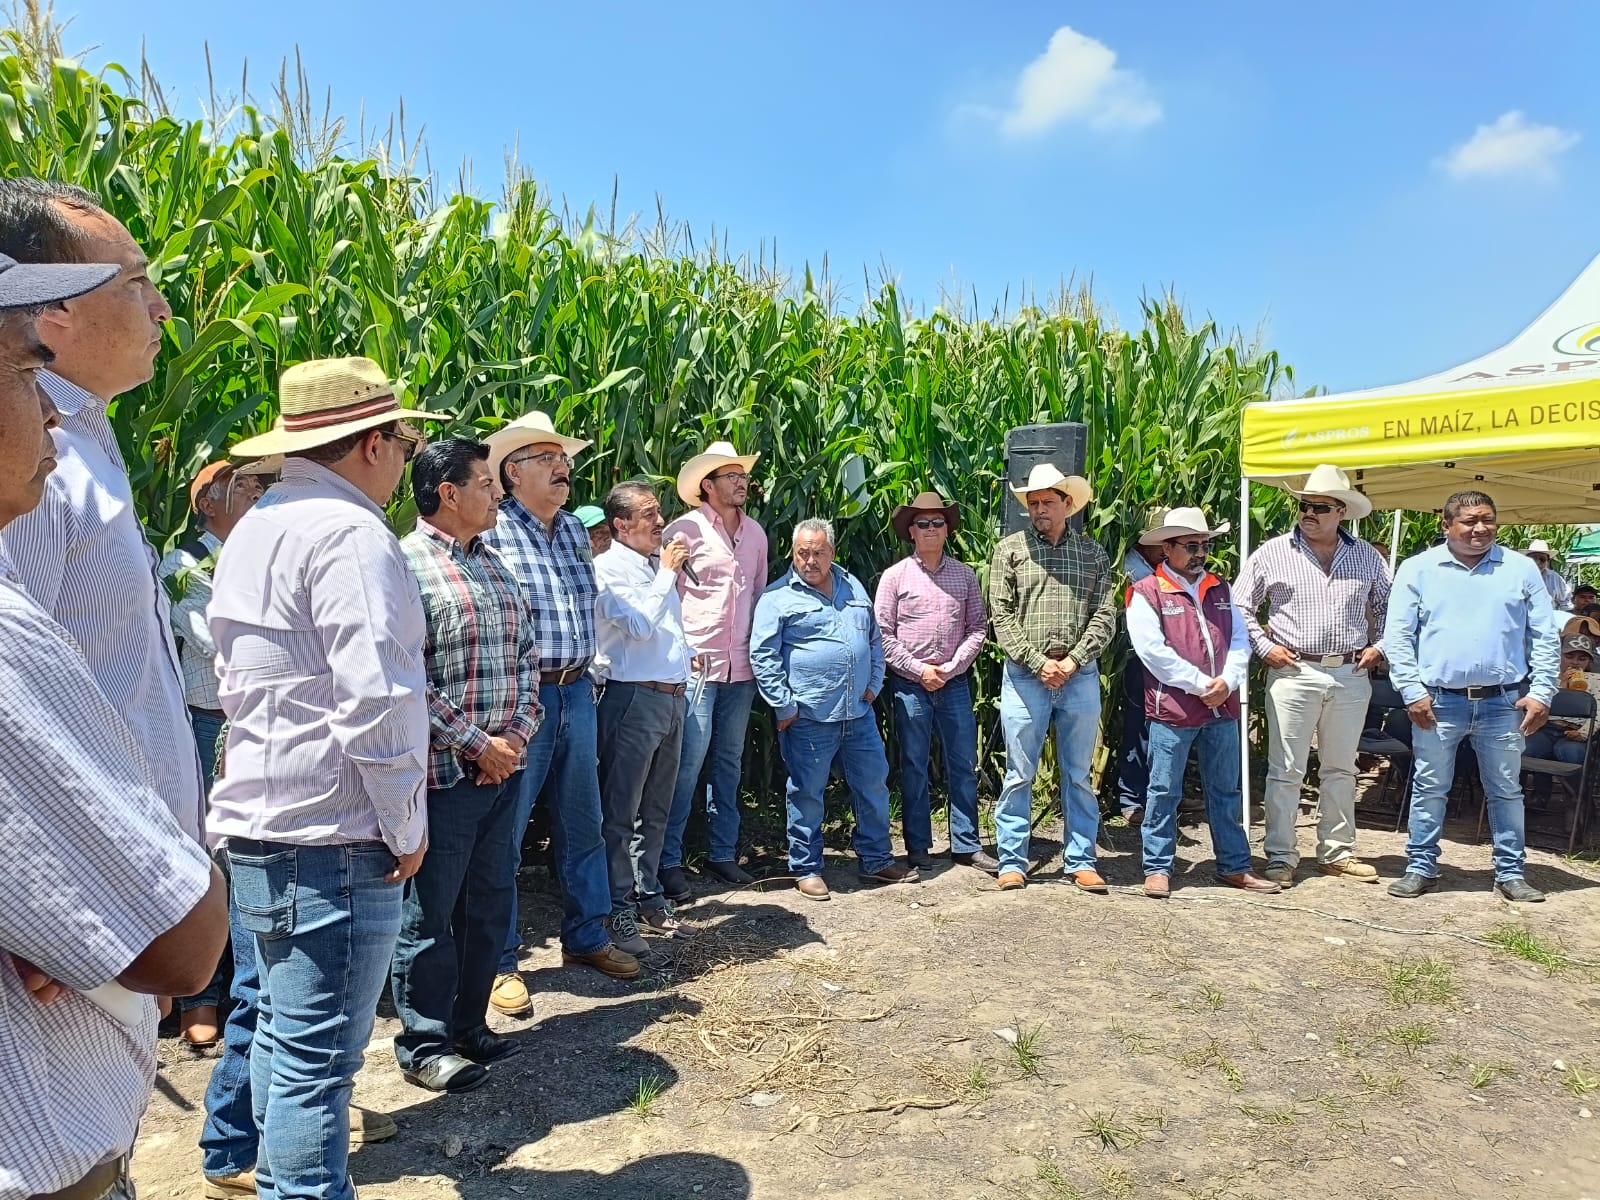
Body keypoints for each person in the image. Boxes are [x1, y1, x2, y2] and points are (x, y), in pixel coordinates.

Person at [0, 248, 229, 1200]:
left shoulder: (91, 450)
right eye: (19, 372)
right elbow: (178, 939)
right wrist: (126, 878)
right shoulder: (43, 512)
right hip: (39, 1110)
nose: (45, 405)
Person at [206, 357, 437, 1200]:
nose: (407, 461)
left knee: (276, 1030)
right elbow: (376, 698)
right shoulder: (350, 534)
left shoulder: (260, 522)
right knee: (318, 1063)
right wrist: (406, 825)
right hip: (335, 832)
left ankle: (270, 1173)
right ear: (372, 442)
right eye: (406, 444)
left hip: (261, 821)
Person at [0, 178, 204, 843]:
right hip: (106, 894)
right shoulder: (34, 459)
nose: (163, 308)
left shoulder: (85, 440)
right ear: (51, 308)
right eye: (135, 285)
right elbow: (23, 716)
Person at [391, 438, 543, 1094]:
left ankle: (468, 1024)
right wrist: (478, 745)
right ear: (447, 493)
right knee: (430, 916)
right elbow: (404, 678)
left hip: (499, 774)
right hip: (444, 779)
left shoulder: (497, 565)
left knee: (488, 905)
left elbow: (528, 659)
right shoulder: (403, 566)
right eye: (485, 483)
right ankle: (424, 1043)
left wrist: (515, 736)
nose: (497, 493)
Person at [482, 410, 640, 1017]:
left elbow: (585, 612)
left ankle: (586, 936)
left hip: (577, 690)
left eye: (563, 458)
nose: (562, 468)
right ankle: (499, 961)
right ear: (512, 473)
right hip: (524, 698)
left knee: (584, 820)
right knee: (507, 830)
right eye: (546, 459)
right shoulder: (494, 531)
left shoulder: (574, 530)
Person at [1384, 489, 1560, 903]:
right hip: (1438, 701)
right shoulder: (1419, 569)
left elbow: (1545, 636)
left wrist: (1542, 692)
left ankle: (1511, 873)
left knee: (1505, 788)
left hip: (1504, 702)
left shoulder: (1520, 569)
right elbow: (1398, 636)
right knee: (1430, 786)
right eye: (1469, 521)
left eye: (1488, 519)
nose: (1480, 528)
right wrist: (1412, 692)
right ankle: (1421, 867)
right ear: (1446, 526)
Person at [159, 459, 271, 1051]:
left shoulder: (260, 553)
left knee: (253, 847)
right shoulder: (182, 566)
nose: (257, 493)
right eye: (246, 486)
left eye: (258, 485)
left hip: (257, 718)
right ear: (208, 503)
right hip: (210, 723)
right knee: (207, 850)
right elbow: (217, 642)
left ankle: (250, 985)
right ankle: (200, 993)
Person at [1233, 464, 1390, 886]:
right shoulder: (1272, 552)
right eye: (1304, 505)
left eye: (1320, 507)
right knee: (1286, 768)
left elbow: (1393, 606)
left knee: (1342, 768)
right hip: (1294, 670)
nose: (1309, 513)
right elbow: (1239, 605)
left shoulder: (1366, 556)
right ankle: (1281, 855)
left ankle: (1336, 853)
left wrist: (1382, 645)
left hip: (1351, 671)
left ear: (1342, 512)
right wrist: (1264, 648)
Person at [751, 518, 916, 900]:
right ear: (793, 554)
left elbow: (874, 637)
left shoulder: (852, 585)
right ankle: (807, 868)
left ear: (833, 553)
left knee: (873, 785)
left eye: (818, 553)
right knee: (807, 792)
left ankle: (876, 860)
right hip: (808, 717)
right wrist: (785, 705)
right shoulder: (778, 597)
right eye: (802, 553)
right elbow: (763, 655)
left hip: (858, 714)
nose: (810, 560)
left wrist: (875, 684)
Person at [1127, 507, 1280, 899]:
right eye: (1192, 546)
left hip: (1222, 707)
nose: (1201, 553)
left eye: (1205, 545)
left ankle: (1234, 865)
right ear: (1167, 548)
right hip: (1175, 710)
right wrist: (1201, 685)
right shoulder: (1146, 592)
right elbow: (1152, 652)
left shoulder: (1221, 588)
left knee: (1226, 790)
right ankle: (1158, 867)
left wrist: (1228, 681)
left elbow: (1241, 640)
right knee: (1163, 791)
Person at [988, 464, 1118, 893]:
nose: (1039, 509)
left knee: (1078, 774)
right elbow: (1001, 617)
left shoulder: (1092, 554)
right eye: (1033, 503)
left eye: (1047, 502)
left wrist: (1074, 660)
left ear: (1068, 504)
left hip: (1078, 676)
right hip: (1026, 677)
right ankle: (1012, 861)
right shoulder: (1010, 550)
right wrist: (1035, 661)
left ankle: (1080, 860)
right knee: (1019, 773)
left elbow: (1105, 614)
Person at [661, 442, 770, 894]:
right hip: (697, 666)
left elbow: (759, 594)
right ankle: (667, 861)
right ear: (708, 486)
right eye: (732, 476)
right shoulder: (683, 530)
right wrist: (682, 653)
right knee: (687, 764)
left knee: (728, 762)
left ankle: (722, 855)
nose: (742, 482)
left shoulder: (758, 535)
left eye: (743, 476)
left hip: (741, 666)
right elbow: (666, 596)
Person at [592, 482, 692, 952]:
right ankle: (617, 908)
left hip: (671, 697)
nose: (660, 522)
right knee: (621, 810)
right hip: (632, 698)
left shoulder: (655, 568)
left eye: (659, 512)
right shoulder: (608, 569)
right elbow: (636, 626)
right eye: (649, 515)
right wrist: (667, 576)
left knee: (656, 807)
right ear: (620, 525)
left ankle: (648, 894)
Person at [873, 490, 992, 872]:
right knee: (914, 765)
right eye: (922, 523)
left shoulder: (965, 576)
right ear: (911, 531)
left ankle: (966, 843)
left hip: (954, 683)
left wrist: (952, 667)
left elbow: (977, 628)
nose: (929, 528)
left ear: (947, 529)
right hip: (910, 685)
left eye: (937, 522)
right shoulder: (894, 577)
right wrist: (918, 670)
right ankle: (919, 846)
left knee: (963, 763)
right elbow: (883, 634)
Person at [1113, 509, 1169, 826]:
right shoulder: (1132, 569)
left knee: (1160, 727)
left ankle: (1154, 793)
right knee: (1138, 726)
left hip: (1160, 658)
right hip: (1133, 657)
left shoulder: (1158, 568)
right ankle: (1132, 797)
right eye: (1164, 541)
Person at [1523, 632, 1597, 767]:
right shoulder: (1546, 678)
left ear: (1589, 661)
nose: (1575, 662)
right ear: (1559, 655)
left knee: (1572, 753)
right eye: (1569, 656)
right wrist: (1561, 686)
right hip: (1545, 727)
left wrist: (1584, 733)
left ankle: (1576, 788)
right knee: (1526, 748)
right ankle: (1531, 786)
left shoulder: (1596, 680)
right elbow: (1535, 706)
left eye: (1582, 659)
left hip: (1576, 730)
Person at [1525, 539, 1572, 611]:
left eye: (1542, 559)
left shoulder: (1554, 578)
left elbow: (1566, 600)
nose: (1537, 562)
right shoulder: (1519, 576)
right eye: (1533, 558)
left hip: (1548, 619)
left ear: (1548, 562)